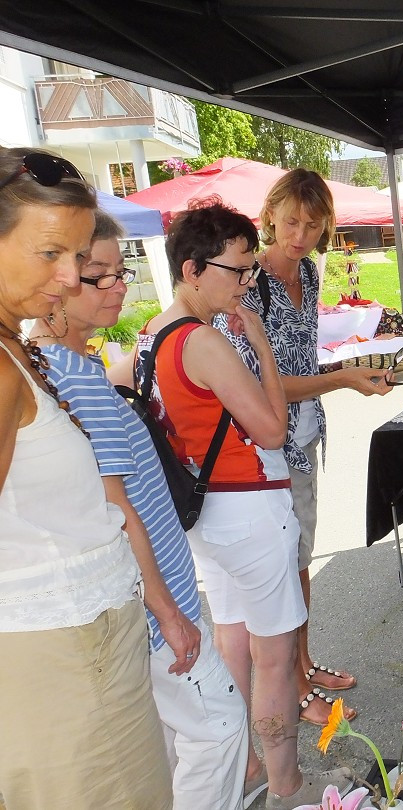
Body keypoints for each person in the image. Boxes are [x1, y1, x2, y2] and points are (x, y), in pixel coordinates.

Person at [118, 199, 353, 809]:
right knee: (275, 655)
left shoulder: (152, 334)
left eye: (251, 269)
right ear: (194, 270)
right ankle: (286, 782)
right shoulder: (202, 341)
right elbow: (273, 429)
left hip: (204, 512)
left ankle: (246, 763)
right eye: (238, 269)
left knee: (233, 637)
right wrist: (261, 346)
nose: (248, 282)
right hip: (248, 504)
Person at [34, 210, 250, 810]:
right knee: (220, 727)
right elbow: (115, 507)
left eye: (119, 271)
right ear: (57, 280)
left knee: (176, 739)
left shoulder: (75, 369)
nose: (117, 286)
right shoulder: (69, 378)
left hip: (153, 601)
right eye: (96, 275)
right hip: (158, 606)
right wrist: (167, 612)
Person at [0, 147, 171, 807]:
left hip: (82, 652)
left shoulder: (14, 343)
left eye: (78, 256)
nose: (71, 277)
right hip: (66, 663)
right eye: (50, 254)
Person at [219, 168, 390, 729]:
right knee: (284, 566)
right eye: (291, 221)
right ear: (269, 216)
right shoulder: (251, 284)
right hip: (265, 447)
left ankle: (305, 663)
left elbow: (300, 363)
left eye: (313, 225)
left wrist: (350, 375)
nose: (300, 234)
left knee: (302, 563)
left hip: (304, 436)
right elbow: (260, 387)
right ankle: (292, 686)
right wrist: (342, 379)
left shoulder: (310, 274)